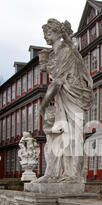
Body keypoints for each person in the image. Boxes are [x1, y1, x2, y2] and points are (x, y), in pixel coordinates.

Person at [37, 19, 93, 183]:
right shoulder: (55, 54)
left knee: (74, 136)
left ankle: (73, 175)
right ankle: (52, 173)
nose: (46, 35)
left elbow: (57, 82)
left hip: (73, 96)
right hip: (63, 97)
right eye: (45, 32)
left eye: (49, 32)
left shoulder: (66, 52)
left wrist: (43, 104)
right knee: (58, 135)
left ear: (58, 33)